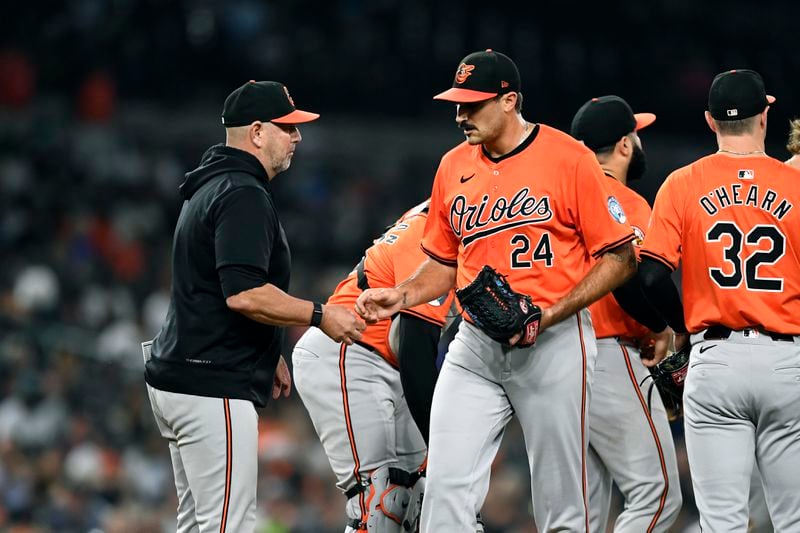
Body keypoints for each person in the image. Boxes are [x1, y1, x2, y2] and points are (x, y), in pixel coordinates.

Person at [356, 49, 638, 532]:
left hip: (554, 342)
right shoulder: (452, 166)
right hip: (475, 343)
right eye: (458, 104)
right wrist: (401, 295)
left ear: (510, 100)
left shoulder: (568, 157)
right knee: (444, 489)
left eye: (474, 104)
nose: (461, 114)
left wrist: (550, 314)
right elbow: (445, 262)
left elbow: (621, 256)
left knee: (561, 503)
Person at [142, 80, 366, 533]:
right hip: (211, 382)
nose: (298, 137)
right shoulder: (242, 192)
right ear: (258, 132)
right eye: (289, 128)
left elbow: (217, 288)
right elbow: (243, 294)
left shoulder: (212, 183)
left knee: (200, 524)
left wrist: (268, 351)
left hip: (185, 373)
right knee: (230, 526)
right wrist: (321, 315)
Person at [638, 69, 800, 531]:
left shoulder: (682, 183)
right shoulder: (796, 185)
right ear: (765, 116)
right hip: (787, 362)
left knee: (722, 522)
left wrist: (683, 326)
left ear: (711, 121)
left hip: (716, 359)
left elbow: (650, 277)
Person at [292, 199, 456, 532]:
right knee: (383, 502)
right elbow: (414, 348)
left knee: (418, 499)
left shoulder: (452, 227)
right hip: (349, 352)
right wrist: (448, 448)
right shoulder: (429, 233)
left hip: (387, 364)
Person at [570, 96, 682, 532]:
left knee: (582, 513)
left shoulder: (557, 198)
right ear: (623, 145)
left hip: (557, 361)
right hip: (611, 356)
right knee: (658, 497)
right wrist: (664, 328)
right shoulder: (626, 202)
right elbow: (632, 280)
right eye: (636, 135)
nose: (639, 143)